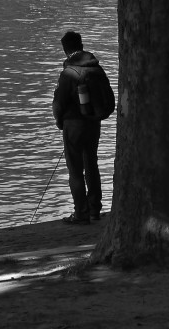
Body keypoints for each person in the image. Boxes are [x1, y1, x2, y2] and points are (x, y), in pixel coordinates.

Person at [52, 30, 108, 224]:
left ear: (66, 49)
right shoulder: (96, 68)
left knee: (75, 170)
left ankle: (81, 213)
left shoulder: (68, 73)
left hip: (73, 125)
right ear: (82, 45)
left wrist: (60, 122)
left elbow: (58, 103)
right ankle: (94, 210)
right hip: (93, 123)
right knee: (92, 163)